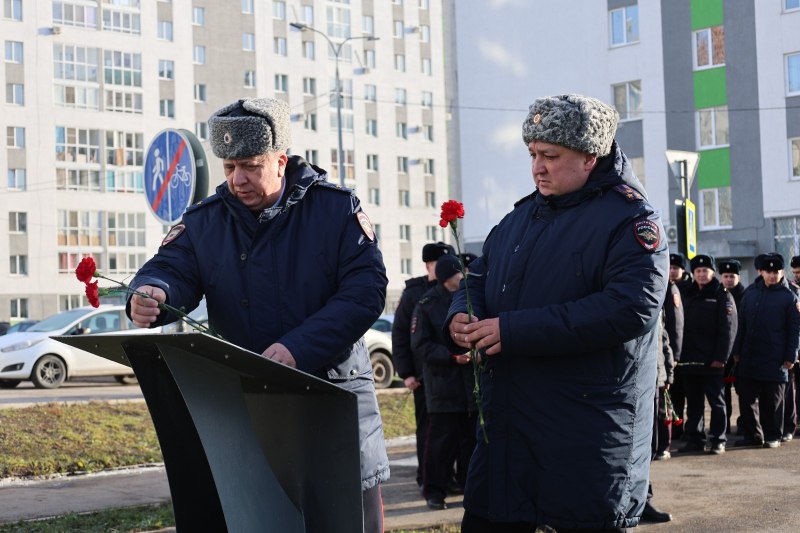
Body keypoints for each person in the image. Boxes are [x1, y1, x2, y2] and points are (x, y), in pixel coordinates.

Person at [126, 97, 389, 532]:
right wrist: (152, 292)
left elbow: (364, 293)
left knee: (345, 520)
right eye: (228, 167)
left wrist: (297, 348)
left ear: (281, 161)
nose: (237, 179)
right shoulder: (206, 221)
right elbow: (171, 268)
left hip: (332, 396)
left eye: (250, 165)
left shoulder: (334, 210)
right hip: (248, 403)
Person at [445, 93, 669, 532]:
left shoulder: (631, 219)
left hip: (584, 439)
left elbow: (630, 307)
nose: (537, 167)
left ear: (590, 157)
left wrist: (512, 330)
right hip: (510, 437)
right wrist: (461, 313)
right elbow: (477, 277)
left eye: (550, 155)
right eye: (532, 154)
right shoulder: (521, 218)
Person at [410, 254, 477, 511]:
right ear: (449, 277)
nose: (464, 278)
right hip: (443, 389)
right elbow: (420, 345)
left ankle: (470, 489)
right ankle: (434, 493)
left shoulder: (468, 301)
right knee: (439, 446)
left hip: (469, 389)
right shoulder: (426, 304)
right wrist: (451, 357)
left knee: (470, 446)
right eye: (460, 274)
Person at [391, 241, 455, 491]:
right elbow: (400, 335)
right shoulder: (414, 294)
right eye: (440, 264)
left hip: (449, 374)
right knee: (428, 431)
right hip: (423, 374)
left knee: (450, 432)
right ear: (429, 265)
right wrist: (406, 373)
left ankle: (447, 477)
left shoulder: (452, 291)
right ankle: (425, 476)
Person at [732, 253, 800, 448]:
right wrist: (737, 351)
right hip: (750, 356)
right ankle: (753, 434)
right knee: (746, 399)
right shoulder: (751, 293)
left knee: (773, 402)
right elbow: (741, 325)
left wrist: (791, 356)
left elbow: (794, 331)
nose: (772, 275)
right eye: (768, 271)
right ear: (761, 271)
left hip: (776, 357)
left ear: (782, 272)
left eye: (776, 271)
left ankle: (773, 435)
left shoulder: (789, 297)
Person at [678, 255, 737, 455]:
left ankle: (718, 439)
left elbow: (728, 330)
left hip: (712, 361)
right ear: (693, 274)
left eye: (705, 270)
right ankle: (695, 439)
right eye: (698, 271)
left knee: (717, 403)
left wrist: (721, 358)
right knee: (693, 404)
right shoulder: (686, 292)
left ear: (712, 273)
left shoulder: (722, 294)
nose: (702, 274)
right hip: (689, 360)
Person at [642, 309, 675, 523]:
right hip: (634, 381)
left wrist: (668, 371)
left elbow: (663, 338)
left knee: (650, 446)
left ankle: (642, 499)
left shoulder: (657, 296)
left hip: (655, 378)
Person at [657, 262, 684, 458]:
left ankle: (663, 447)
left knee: (661, 413)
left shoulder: (668, 291)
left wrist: (671, 366)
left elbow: (668, 335)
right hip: (650, 371)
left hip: (659, 371)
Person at [717, 259, 745, 434]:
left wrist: (738, 352)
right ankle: (725, 424)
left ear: (738, 277)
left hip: (741, 352)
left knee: (744, 392)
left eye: (731, 276)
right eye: (725, 276)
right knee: (723, 391)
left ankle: (744, 424)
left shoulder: (746, 295)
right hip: (723, 352)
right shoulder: (718, 294)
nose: (728, 279)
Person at [667, 252, 691, 439]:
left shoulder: (683, 289)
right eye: (670, 267)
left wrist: (675, 354)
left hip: (683, 352)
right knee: (675, 394)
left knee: (686, 395)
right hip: (672, 352)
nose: (672, 271)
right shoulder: (666, 287)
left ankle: (685, 430)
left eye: (676, 268)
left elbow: (676, 325)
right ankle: (676, 430)